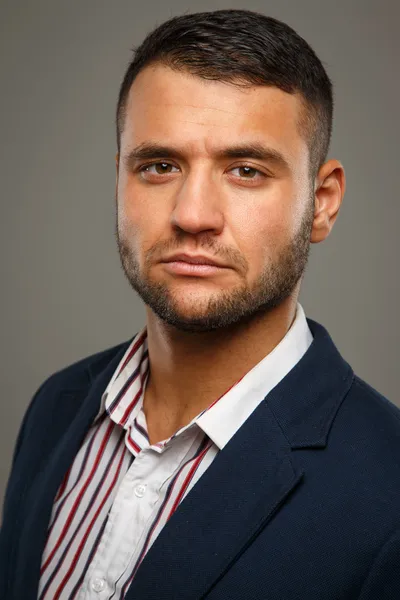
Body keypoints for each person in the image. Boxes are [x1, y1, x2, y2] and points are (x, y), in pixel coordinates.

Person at [1, 8, 399, 600]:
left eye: (245, 170)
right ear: (119, 183)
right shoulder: (56, 407)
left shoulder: (388, 493)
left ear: (322, 202)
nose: (192, 215)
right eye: (159, 166)